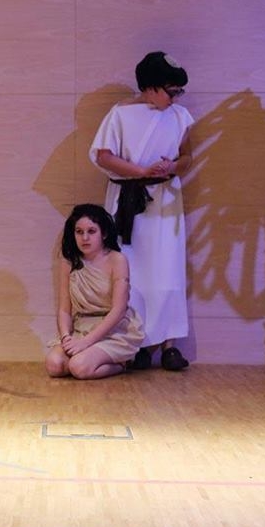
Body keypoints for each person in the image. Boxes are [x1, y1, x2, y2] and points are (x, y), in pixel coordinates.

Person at [89, 51, 193, 371]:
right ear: (149, 87)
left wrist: (171, 167)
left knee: (168, 271)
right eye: (170, 91)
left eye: (178, 92)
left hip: (165, 201)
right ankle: (137, 344)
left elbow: (187, 157)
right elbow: (104, 156)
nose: (175, 98)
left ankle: (170, 345)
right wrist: (141, 171)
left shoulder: (180, 116)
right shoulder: (120, 114)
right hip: (129, 202)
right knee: (132, 273)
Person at [45, 204, 144, 379]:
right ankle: (87, 358)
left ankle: (122, 364)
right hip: (81, 327)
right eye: (79, 232)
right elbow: (64, 309)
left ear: (103, 233)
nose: (85, 238)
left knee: (79, 367)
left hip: (113, 329)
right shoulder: (69, 262)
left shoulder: (117, 260)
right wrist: (66, 337)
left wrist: (86, 342)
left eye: (91, 231)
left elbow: (119, 310)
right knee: (54, 365)